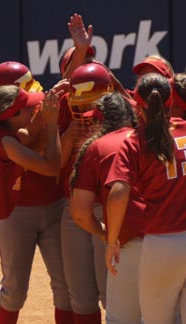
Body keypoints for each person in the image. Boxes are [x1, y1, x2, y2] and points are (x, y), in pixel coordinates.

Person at [0, 62, 73, 324]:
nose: (30, 111)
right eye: (24, 109)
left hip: (19, 215)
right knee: (1, 299)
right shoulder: (6, 141)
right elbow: (50, 165)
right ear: (8, 114)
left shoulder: (1, 131)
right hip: (8, 217)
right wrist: (51, 124)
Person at [105, 72, 186, 324]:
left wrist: (111, 241)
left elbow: (119, 193)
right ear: (171, 103)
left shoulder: (135, 141)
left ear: (139, 107)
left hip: (163, 243)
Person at [70, 91, 145, 324]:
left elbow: (80, 213)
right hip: (172, 239)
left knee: (123, 319)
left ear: (99, 120)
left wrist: (107, 236)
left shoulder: (98, 147)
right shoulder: (154, 138)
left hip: (129, 243)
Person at [59, 61, 114, 324]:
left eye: (91, 104)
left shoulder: (123, 126)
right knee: (80, 294)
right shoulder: (71, 126)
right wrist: (70, 137)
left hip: (109, 209)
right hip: (74, 210)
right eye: (79, 104)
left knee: (112, 294)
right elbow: (54, 165)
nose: (84, 110)